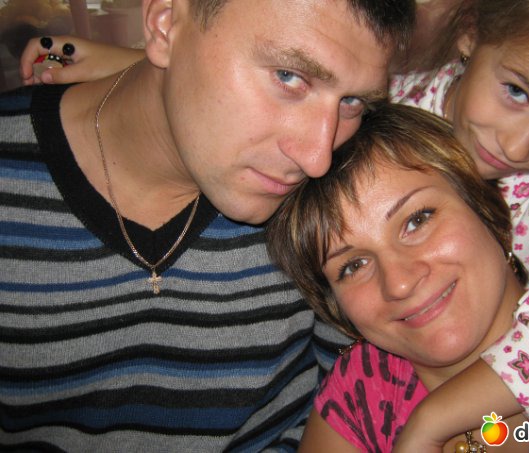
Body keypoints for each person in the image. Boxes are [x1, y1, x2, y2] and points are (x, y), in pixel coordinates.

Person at [0, 0, 415, 450]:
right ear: (164, 24)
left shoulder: (342, 197)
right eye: (288, 76)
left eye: (352, 102)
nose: (317, 158)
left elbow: (369, 397)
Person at [266, 103, 529, 452]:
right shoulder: (360, 390)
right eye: (353, 265)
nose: (399, 283)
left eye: (417, 220)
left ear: (487, 210)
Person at [387, 0, 529, 449]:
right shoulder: (381, 112)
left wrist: (434, 420)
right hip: (376, 375)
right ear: (471, 32)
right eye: (517, 92)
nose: (518, 147)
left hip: (516, 409)